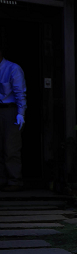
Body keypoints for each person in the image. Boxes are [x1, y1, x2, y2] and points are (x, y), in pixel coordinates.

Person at [0, 47, 25, 192]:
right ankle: (2, 179)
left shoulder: (12, 68)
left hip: (9, 109)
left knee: (11, 146)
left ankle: (14, 179)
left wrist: (21, 113)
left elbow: (19, 92)